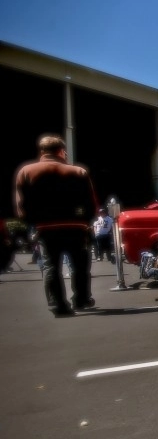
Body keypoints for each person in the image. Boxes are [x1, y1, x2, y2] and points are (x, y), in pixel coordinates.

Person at [13, 134, 99, 316]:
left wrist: (31, 223)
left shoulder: (26, 171)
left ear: (42, 151)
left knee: (51, 266)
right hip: (75, 226)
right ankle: (81, 299)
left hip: (46, 228)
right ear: (61, 151)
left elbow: (22, 204)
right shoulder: (78, 172)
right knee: (80, 265)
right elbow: (91, 203)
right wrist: (87, 221)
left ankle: (57, 304)